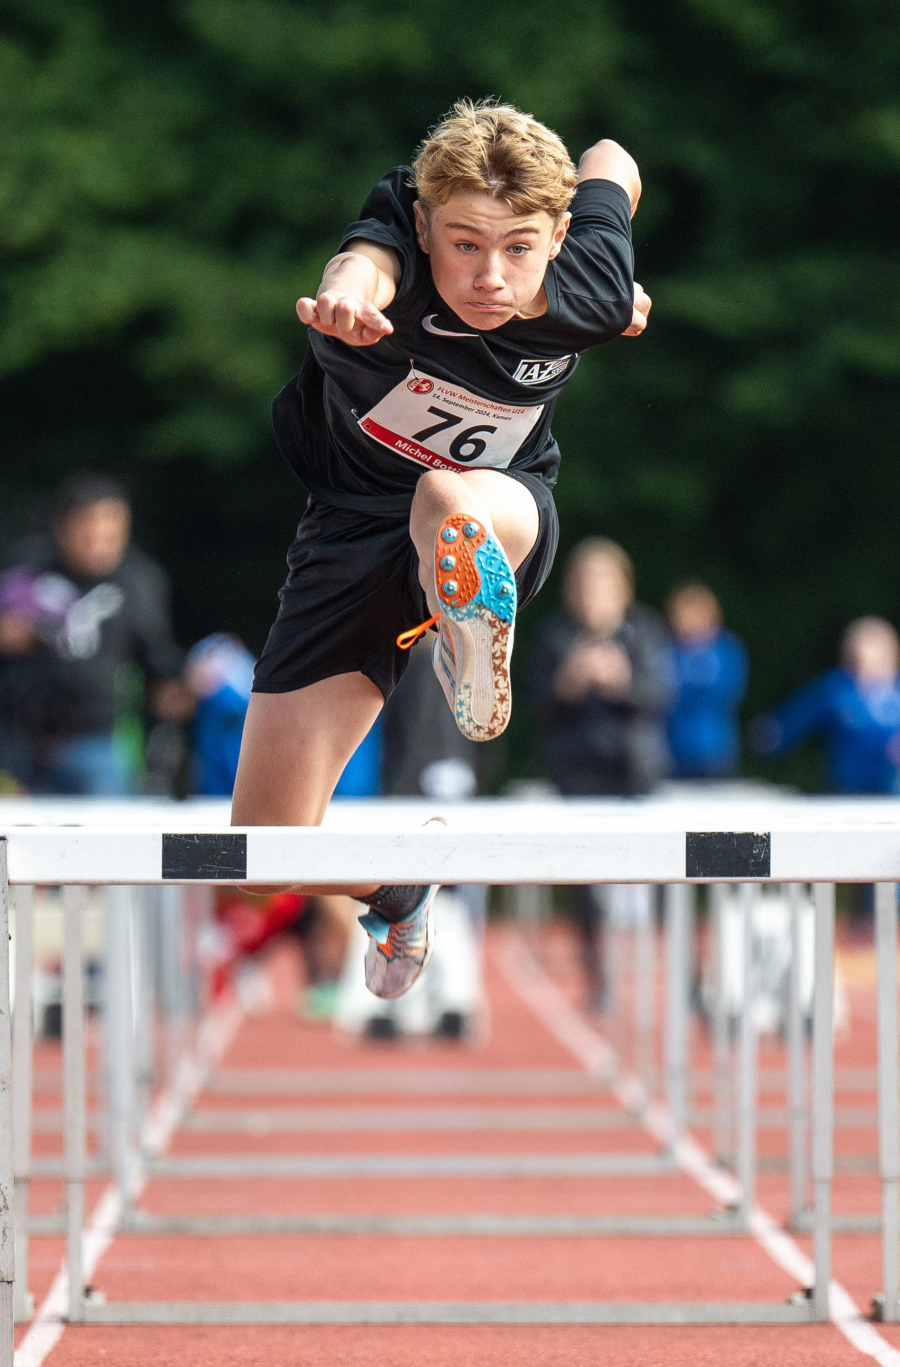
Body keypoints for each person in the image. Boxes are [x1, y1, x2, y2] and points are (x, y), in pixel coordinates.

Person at [232, 98, 651, 1002]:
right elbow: (365, 260)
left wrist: (616, 289)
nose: (489, 277)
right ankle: (394, 887)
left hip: (500, 514)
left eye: (518, 248)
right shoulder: (397, 234)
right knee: (261, 853)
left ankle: (466, 616)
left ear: (562, 233)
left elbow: (612, 154)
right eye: (463, 244)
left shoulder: (589, 280)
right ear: (424, 223)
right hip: (349, 533)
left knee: (444, 496)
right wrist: (350, 292)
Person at [528, 537, 670, 1009]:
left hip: (636, 773)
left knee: (664, 879)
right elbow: (533, 709)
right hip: (578, 775)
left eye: (601, 582)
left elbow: (662, 698)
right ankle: (598, 979)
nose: (592, 592)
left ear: (622, 588)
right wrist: (569, 681)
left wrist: (622, 682)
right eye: (584, 583)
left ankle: (682, 981)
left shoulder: (644, 631)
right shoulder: (554, 636)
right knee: (585, 886)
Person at [0, 474, 187, 795]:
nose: (98, 543)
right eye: (87, 533)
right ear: (62, 527)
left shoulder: (138, 583)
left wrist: (166, 745)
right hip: (17, 743)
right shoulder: (28, 568)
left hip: (97, 743)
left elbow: (162, 668)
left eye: (111, 535)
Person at [753, 616, 900, 793]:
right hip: (845, 786)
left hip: (890, 789)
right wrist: (776, 733)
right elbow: (803, 712)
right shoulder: (837, 688)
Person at [665, 582, 748, 780]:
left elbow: (727, 691)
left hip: (716, 751)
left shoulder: (726, 649)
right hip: (672, 752)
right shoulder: (665, 650)